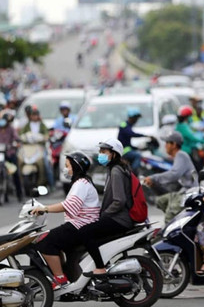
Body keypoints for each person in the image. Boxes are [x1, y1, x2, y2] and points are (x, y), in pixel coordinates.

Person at [31, 151, 99, 289]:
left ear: (75, 166)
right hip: (79, 224)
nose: (65, 169)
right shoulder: (81, 183)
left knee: (44, 241)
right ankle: (62, 273)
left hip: (80, 226)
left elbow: (69, 205)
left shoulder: (81, 184)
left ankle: (60, 279)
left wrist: (45, 208)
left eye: (68, 165)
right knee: (54, 240)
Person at [79, 138, 133, 276]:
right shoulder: (114, 169)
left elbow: (119, 201)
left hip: (119, 219)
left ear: (114, 154)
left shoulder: (116, 171)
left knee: (85, 232)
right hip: (118, 217)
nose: (100, 154)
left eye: (104, 151)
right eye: (100, 151)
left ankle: (100, 267)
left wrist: (104, 215)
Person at [0, 113, 23, 202]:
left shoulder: (11, 129)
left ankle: (19, 194)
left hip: (9, 153)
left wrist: (17, 143)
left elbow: (17, 138)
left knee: (15, 173)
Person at [20, 107, 53, 188]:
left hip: (40, 148)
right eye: (33, 115)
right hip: (28, 148)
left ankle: (51, 185)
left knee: (46, 165)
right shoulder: (27, 125)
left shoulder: (42, 125)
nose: (34, 117)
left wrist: (44, 137)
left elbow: (47, 134)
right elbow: (20, 135)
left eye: (36, 115)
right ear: (30, 116)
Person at [118, 107, 148, 173]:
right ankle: (133, 173)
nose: (136, 120)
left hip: (127, 148)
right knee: (138, 156)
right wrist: (145, 136)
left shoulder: (129, 126)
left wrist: (138, 148)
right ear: (132, 117)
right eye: (136, 118)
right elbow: (130, 134)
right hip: (124, 151)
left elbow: (128, 143)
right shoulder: (124, 125)